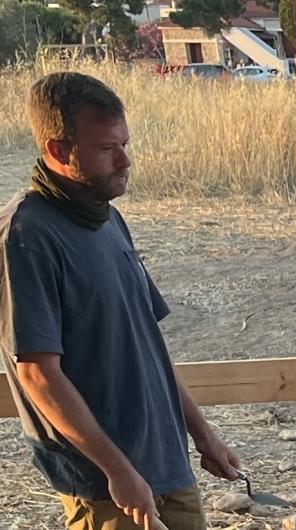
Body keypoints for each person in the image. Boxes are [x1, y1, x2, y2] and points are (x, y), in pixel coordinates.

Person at [3, 72, 244, 530]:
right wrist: (118, 472)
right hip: (108, 487)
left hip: (167, 465)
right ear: (58, 150)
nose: (124, 160)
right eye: (105, 149)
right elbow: (37, 374)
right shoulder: (26, 236)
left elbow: (148, 345)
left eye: (124, 143)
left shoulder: (108, 220)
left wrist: (203, 436)